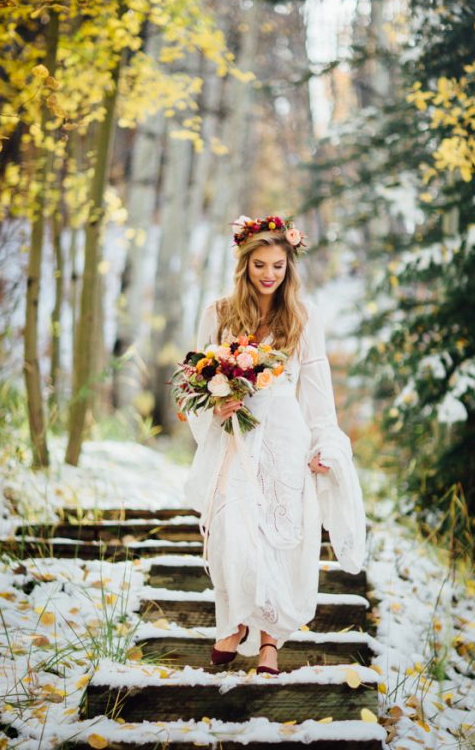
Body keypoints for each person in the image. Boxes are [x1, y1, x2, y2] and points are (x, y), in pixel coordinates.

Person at [184, 215, 366, 675]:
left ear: (289, 267)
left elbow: (319, 395)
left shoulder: (304, 318)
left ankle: (269, 644)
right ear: (244, 265)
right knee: (232, 530)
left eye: (278, 266)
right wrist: (217, 405)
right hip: (237, 437)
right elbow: (193, 388)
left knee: (281, 539)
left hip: (286, 439)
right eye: (260, 265)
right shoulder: (218, 313)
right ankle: (235, 622)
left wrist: (324, 444)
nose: (268, 274)